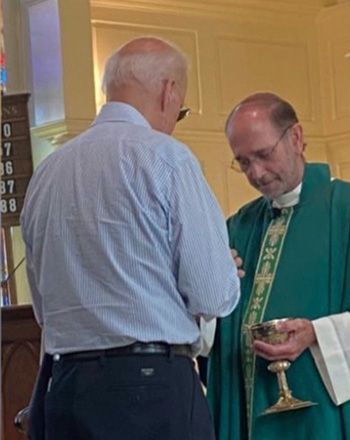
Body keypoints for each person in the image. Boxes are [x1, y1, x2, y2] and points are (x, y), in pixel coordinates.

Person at [20, 36, 241, 440]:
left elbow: (42, 308)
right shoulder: (166, 158)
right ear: (169, 91)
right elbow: (212, 294)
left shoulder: (47, 173)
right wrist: (223, 268)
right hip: (150, 387)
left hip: (63, 385)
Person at [207, 92, 350, 440]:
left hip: (324, 414)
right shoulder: (238, 227)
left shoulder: (344, 210)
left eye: (264, 154)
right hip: (251, 408)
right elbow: (209, 323)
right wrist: (209, 283)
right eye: (242, 162)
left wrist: (318, 333)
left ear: (296, 138)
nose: (256, 173)